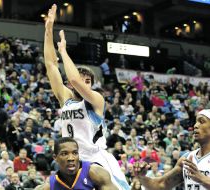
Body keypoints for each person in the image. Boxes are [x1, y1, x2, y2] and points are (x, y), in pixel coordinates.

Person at [44, 4, 129, 190]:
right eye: (83, 80)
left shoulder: (97, 100)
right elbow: (51, 65)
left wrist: (64, 51)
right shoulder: (65, 98)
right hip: (72, 160)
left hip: (96, 160)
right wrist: (48, 29)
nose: (84, 84)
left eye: (88, 81)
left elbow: (74, 79)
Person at [133, 109, 210, 190]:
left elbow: (201, 179)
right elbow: (161, 184)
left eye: (201, 121)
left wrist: (201, 178)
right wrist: (141, 177)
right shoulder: (187, 158)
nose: (196, 125)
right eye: (196, 122)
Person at [42, 137, 118, 190]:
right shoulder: (50, 185)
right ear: (55, 157)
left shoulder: (95, 172)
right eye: (64, 154)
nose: (71, 158)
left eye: (75, 153)